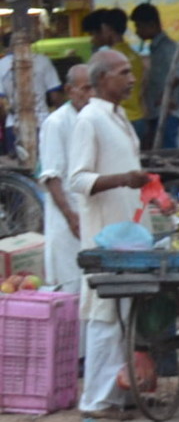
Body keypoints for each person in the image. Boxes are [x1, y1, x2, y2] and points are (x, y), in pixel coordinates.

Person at [66, 49, 150, 419]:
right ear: (102, 79)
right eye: (123, 73)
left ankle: (118, 395)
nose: (131, 79)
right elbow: (78, 179)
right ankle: (96, 401)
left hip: (128, 233)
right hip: (104, 236)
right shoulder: (89, 119)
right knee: (105, 315)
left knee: (123, 316)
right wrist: (123, 180)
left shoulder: (119, 118)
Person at [37, 67, 89, 293]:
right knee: (71, 283)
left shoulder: (94, 118)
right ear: (69, 90)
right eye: (85, 89)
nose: (91, 95)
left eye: (94, 89)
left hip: (89, 212)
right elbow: (52, 176)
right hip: (67, 214)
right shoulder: (57, 123)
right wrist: (70, 215)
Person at [133, 2, 179, 150]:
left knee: (168, 152)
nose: (137, 31)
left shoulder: (168, 47)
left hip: (168, 112)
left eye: (139, 26)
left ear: (151, 24)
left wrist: (164, 95)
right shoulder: (155, 47)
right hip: (156, 111)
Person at [0, 45, 60, 135]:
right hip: (42, 121)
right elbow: (55, 97)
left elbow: (2, 104)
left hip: (13, 125)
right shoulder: (43, 61)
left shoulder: (1, 65)